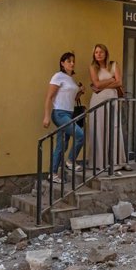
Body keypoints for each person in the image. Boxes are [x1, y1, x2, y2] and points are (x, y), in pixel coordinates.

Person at [43, 52, 85, 183]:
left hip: (69, 113)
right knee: (80, 135)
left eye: (73, 61)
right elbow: (49, 97)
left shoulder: (70, 79)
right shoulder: (58, 76)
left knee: (61, 146)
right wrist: (46, 116)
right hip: (59, 114)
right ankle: (70, 161)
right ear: (62, 63)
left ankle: (53, 174)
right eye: (68, 61)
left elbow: (70, 98)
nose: (72, 63)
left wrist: (79, 92)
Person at [88, 44, 130, 173]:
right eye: (96, 52)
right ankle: (101, 162)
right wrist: (111, 80)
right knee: (99, 129)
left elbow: (120, 82)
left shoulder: (114, 65)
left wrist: (102, 85)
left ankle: (118, 161)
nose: (99, 54)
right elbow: (96, 84)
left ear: (106, 53)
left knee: (114, 128)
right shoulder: (92, 67)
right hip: (97, 101)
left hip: (112, 100)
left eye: (101, 52)